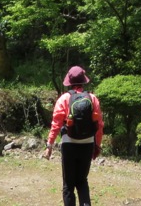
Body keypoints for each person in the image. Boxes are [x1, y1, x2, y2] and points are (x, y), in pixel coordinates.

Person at [42, 66, 104, 206]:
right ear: (83, 81)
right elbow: (99, 125)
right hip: (87, 143)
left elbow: (56, 124)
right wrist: (97, 145)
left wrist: (49, 145)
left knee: (68, 185)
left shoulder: (64, 99)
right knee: (82, 181)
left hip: (69, 144)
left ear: (69, 81)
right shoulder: (93, 99)